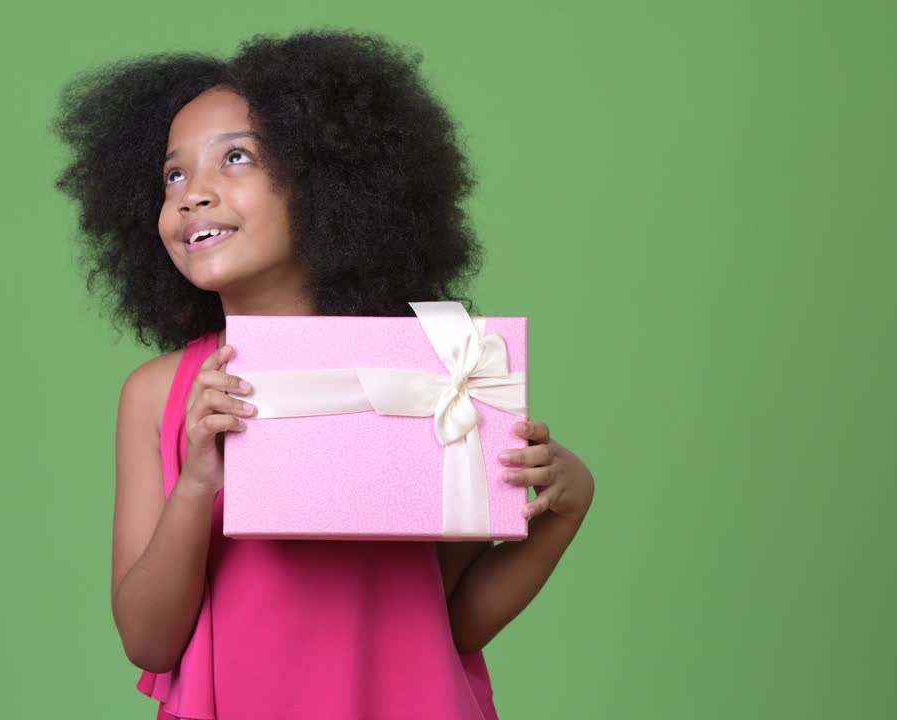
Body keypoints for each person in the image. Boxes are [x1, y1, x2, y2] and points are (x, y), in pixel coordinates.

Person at [52, 29, 596, 720]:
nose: (193, 194)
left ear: (327, 180)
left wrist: (563, 508)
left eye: (237, 157)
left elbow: (450, 623)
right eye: (173, 174)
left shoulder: (431, 376)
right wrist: (197, 483)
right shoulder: (158, 394)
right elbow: (148, 640)